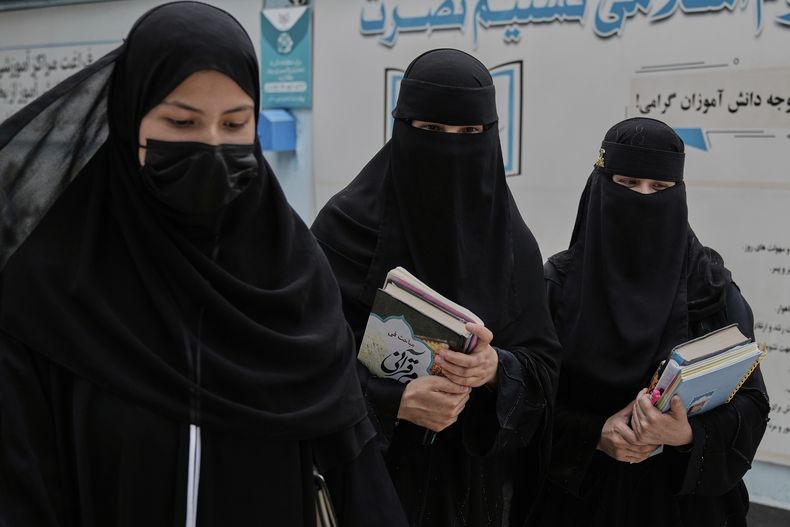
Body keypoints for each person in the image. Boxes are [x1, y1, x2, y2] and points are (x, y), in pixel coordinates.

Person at [0, 3, 407, 526]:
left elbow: (353, 466)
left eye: (235, 122)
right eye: (180, 121)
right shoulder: (50, 289)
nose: (212, 143)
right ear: (128, 119)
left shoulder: (294, 278)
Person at [311, 48, 561, 527]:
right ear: (403, 127)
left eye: (470, 134)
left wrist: (493, 369)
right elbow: (304, 363)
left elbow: (544, 368)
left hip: (473, 493)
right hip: (365, 480)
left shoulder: (512, 244)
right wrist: (392, 403)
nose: (451, 148)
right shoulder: (341, 232)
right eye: (430, 131)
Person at [531, 117, 770, 527]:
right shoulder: (559, 285)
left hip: (685, 507)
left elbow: (753, 402)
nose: (644, 197)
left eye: (660, 188)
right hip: (579, 503)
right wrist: (594, 436)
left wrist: (685, 435)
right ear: (601, 188)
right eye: (627, 183)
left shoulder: (709, 286)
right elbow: (528, 400)